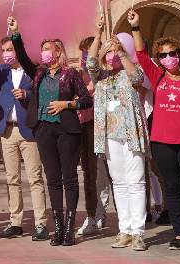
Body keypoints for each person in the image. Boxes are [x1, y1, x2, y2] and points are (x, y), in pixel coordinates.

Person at [130, 10, 180, 251]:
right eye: (163, 55)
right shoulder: (157, 78)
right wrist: (135, 27)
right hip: (162, 142)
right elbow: (141, 54)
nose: (168, 58)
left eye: (171, 54)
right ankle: (179, 234)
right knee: (172, 189)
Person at [9, 17, 93, 246]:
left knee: (69, 179)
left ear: (58, 52)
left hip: (67, 130)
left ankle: (69, 228)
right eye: (42, 50)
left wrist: (67, 104)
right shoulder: (38, 73)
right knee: (53, 180)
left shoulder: (71, 74)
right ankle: (57, 229)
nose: (44, 53)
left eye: (47, 49)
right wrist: (16, 34)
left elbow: (86, 100)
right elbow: (24, 58)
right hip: (44, 129)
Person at [0, 32, 49, 241]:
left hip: (28, 130)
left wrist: (26, 95)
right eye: (4, 50)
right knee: (12, 178)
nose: (6, 54)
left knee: (34, 177)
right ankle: (15, 221)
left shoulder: (33, 70)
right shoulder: (2, 71)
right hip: (7, 129)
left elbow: (41, 93)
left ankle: (40, 223)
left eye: (10, 50)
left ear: (18, 50)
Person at [86, 17, 149, 251]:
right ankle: (125, 230)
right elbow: (91, 62)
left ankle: (138, 232)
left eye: (116, 53)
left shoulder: (130, 73)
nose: (111, 56)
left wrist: (122, 53)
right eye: (108, 54)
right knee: (120, 183)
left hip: (132, 134)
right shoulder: (100, 78)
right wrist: (99, 32)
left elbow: (138, 78)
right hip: (110, 136)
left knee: (136, 181)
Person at [74, 35, 108, 236]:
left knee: (105, 173)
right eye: (84, 53)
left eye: (91, 51)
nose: (86, 57)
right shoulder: (78, 75)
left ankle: (108, 212)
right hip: (85, 126)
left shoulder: (104, 74)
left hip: (104, 126)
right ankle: (94, 214)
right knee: (90, 173)